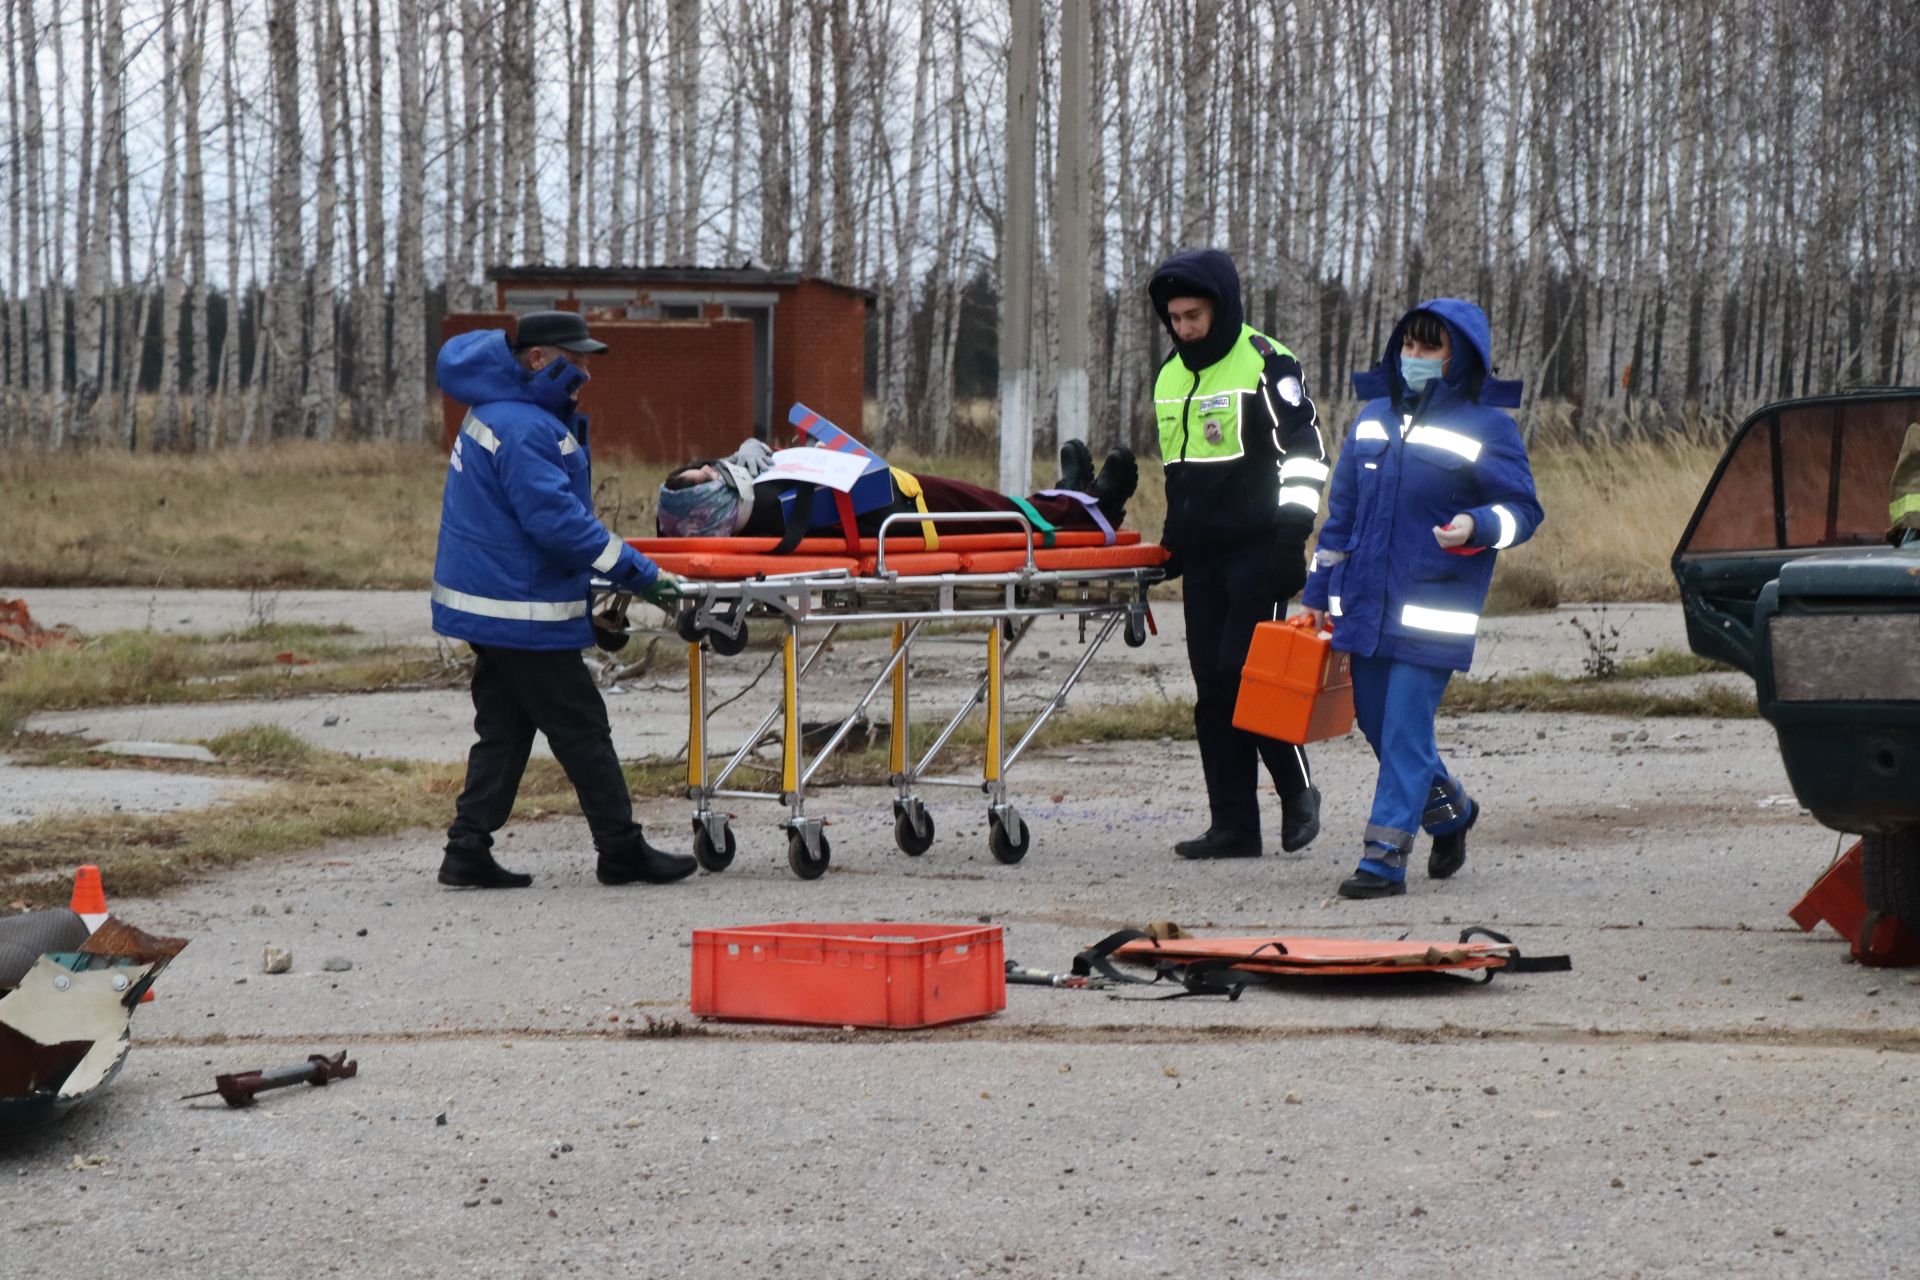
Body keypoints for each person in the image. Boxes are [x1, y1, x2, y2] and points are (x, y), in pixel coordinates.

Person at [432, 310, 696, 890]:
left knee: (505, 728)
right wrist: (641, 574)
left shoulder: (501, 412)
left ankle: (466, 849)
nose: (584, 375)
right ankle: (621, 850)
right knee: (581, 726)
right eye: (574, 362)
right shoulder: (526, 428)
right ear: (537, 359)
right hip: (519, 610)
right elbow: (559, 526)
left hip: (493, 605)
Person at [1299, 299, 1543, 898]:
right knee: (1380, 728)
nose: (1414, 358)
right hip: (1365, 607)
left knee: (1405, 730)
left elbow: (1523, 511)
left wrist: (1478, 526)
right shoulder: (1373, 418)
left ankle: (1383, 861)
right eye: (1407, 346)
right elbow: (1341, 520)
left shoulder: (1489, 427)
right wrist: (1314, 591)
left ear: (1460, 357)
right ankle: (1452, 811)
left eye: (1428, 348)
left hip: (1433, 612)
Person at [1147, 248, 1327, 860]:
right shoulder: (1169, 377)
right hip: (1203, 559)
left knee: (1243, 676)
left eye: (1193, 315)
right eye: (1174, 317)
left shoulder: (1267, 363)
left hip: (1262, 547)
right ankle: (1233, 826)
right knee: (1211, 688)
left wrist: (1290, 539)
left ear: (1220, 307)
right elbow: (1179, 471)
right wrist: (1173, 543)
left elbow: (1306, 457)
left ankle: (1298, 790)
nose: (1184, 328)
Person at [656, 437, 1140, 542]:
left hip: (893, 496)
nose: (715, 470)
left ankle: (1067, 499)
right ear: (704, 508)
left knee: (990, 505)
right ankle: (1093, 507)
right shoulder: (764, 518)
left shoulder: (748, 506)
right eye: (705, 478)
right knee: (990, 512)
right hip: (900, 515)